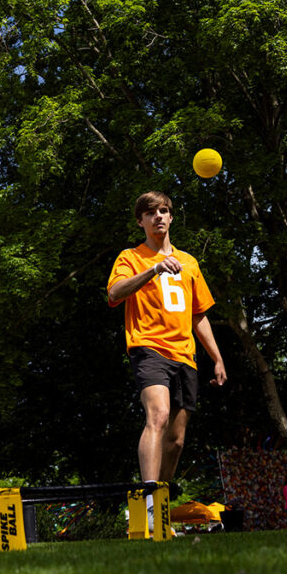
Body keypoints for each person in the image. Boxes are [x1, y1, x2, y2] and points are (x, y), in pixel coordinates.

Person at [107, 191, 227, 527]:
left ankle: (156, 507)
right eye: (150, 212)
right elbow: (115, 294)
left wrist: (216, 357)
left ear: (171, 217)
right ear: (140, 221)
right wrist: (154, 270)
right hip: (148, 346)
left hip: (185, 354)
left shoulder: (189, 262)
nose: (158, 216)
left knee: (176, 439)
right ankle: (149, 506)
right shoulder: (131, 257)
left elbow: (199, 314)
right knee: (156, 416)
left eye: (164, 210)